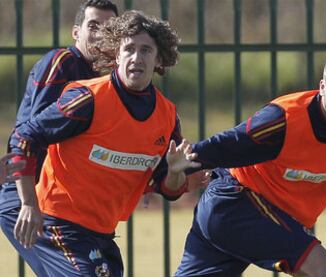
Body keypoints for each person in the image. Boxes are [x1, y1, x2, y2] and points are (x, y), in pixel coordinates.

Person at [175, 50, 326, 277]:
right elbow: (231, 142)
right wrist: (174, 167)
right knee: (324, 270)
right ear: (322, 87)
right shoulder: (286, 118)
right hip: (236, 202)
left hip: (251, 215)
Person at [5, 10, 199, 277]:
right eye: (129, 49)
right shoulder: (87, 98)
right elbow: (23, 138)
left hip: (102, 234)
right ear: (116, 55)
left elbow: (169, 188)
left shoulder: (166, 116)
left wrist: (175, 173)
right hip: (59, 224)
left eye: (146, 50)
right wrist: (28, 203)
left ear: (159, 60)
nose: (136, 57)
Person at [0, 1, 118, 275]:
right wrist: (28, 202)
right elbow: (28, 135)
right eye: (93, 26)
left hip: (62, 206)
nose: (100, 34)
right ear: (76, 32)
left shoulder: (106, 80)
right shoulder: (63, 62)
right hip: (30, 197)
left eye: (109, 28)